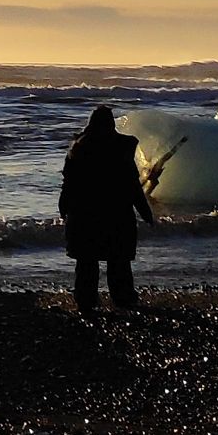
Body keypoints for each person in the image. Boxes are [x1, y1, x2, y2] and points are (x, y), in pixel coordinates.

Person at [58, 105, 155, 313]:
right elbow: (133, 185)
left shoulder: (78, 148)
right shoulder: (122, 147)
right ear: (111, 124)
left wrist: (63, 205)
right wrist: (145, 212)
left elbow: (69, 183)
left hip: (84, 214)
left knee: (86, 261)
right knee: (118, 261)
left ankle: (86, 300)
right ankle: (123, 298)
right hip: (117, 214)